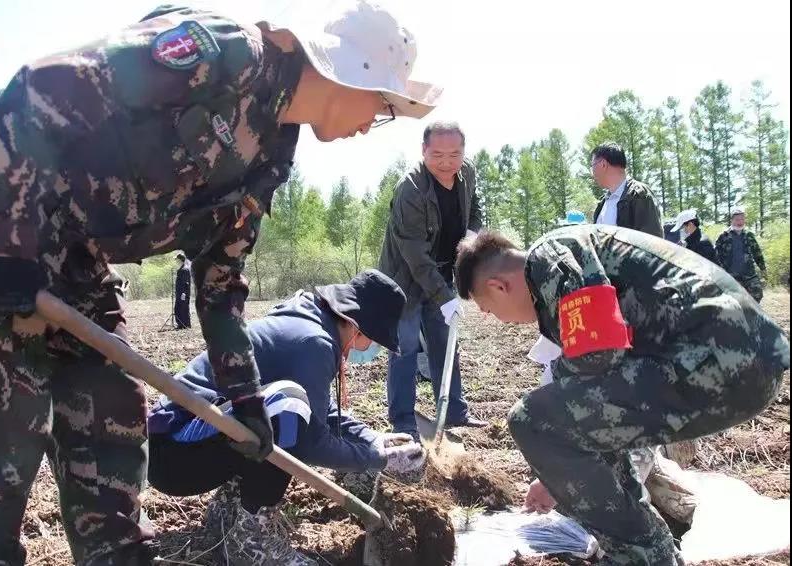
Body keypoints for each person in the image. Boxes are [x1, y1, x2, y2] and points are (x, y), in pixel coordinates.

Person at [0, 2, 441, 563]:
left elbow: (221, 288)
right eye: (381, 107)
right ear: (352, 75)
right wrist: (4, 243)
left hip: (73, 260)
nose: (372, 124)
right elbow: (44, 85)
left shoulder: (269, 157)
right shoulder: (228, 55)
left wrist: (246, 398)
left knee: (113, 413)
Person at [455, 228, 789, 565]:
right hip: (739, 362)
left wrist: (558, 467)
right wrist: (557, 472)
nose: (497, 320)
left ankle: (638, 554)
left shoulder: (550, 257)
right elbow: (601, 399)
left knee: (532, 421)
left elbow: (597, 356)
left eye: (487, 308)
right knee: (562, 410)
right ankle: (648, 554)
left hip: (720, 357)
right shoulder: (564, 263)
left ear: (499, 286)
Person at [147, 270, 422, 565]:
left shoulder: (310, 321)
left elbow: (321, 411)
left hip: (181, 445)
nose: (373, 349)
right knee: (286, 409)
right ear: (357, 326)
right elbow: (310, 443)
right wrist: (376, 458)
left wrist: (373, 440)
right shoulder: (313, 342)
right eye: (377, 339)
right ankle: (251, 541)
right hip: (178, 452)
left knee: (283, 410)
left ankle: (228, 515)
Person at [378, 121, 486, 442]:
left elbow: (476, 207)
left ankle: (454, 411)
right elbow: (414, 255)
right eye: (437, 154)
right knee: (405, 346)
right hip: (405, 280)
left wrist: (471, 235)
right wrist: (445, 296)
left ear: (464, 153)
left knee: (444, 342)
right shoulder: (410, 189)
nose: (446, 162)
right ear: (423, 150)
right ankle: (403, 421)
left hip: (440, 271)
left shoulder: (467, 173)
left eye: (454, 154)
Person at [591, 143, 663, 237]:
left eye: (592, 166)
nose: (592, 173)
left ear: (603, 164)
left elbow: (652, 242)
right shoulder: (603, 203)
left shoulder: (639, 194)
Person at [715, 206, 767, 302]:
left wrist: (763, 268)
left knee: (757, 293)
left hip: (749, 274)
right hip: (731, 274)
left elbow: (757, 253)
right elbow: (716, 255)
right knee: (735, 299)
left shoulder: (749, 235)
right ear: (732, 220)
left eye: (742, 219)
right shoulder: (723, 236)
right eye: (737, 219)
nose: (740, 222)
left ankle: (751, 314)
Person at [174, 252, 192, 329]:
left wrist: (183, 293)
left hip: (183, 293)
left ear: (180, 260)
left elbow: (186, 283)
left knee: (183, 308)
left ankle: (184, 324)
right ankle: (181, 324)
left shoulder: (184, 269)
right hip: (180, 293)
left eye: (177, 260)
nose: (176, 261)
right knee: (179, 308)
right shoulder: (182, 269)